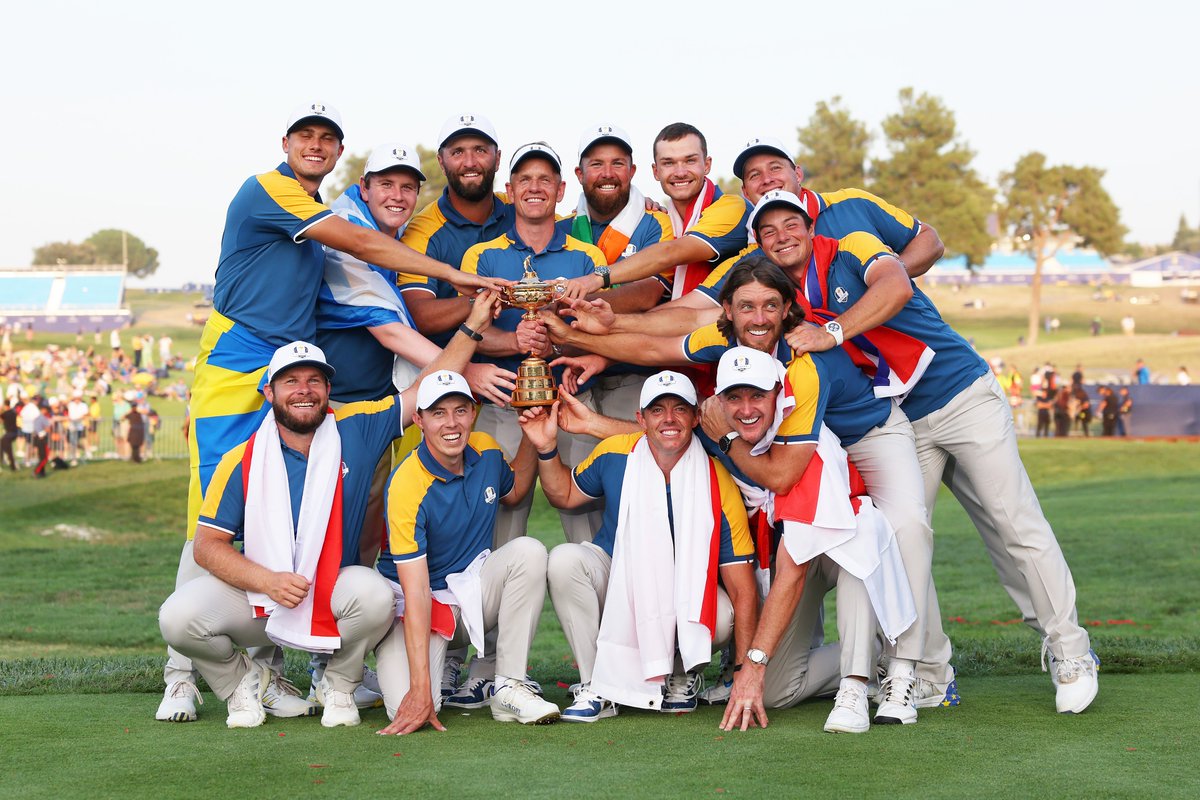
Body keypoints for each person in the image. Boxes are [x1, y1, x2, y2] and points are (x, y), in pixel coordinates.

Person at [161, 103, 500, 723]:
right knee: (209, 515)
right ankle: (180, 673)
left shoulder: (311, 206)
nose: (316, 146)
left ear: (339, 153)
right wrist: (457, 277)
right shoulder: (271, 190)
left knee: (302, 515)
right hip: (240, 361)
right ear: (285, 142)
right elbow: (365, 243)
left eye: (328, 139)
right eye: (306, 137)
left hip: (284, 370)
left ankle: (278, 667)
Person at [750, 190, 1098, 714]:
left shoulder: (850, 243)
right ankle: (930, 673)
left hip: (959, 393)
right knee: (903, 541)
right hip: (900, 419)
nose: (781, 234)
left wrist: (834, 330)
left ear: (806, 212)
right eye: (768, 227)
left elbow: (895, 282)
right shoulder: (784, 299)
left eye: (789, 221)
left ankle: (1071, 652)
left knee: (1013, 524)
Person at [160, 298, 501, 729]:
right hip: (261, 597)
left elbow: (427, 388)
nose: (304, 389)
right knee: (176, 617)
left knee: (375, 595)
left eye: (314, 380)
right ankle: (242, 683)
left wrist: (471, 328)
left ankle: (338, 683)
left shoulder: (357, 425)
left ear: (327, 390)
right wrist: (267, 580)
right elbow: (209, 547)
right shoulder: (242, 459)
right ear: (269, 392)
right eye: (290, 381)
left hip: (332, 589)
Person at [518, 371, 758, 721]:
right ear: (640, 419)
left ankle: (681, 670)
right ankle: (597, 684)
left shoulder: (717, 479)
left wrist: (743, 672)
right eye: (657, 410)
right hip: (621, 576)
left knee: (723, 618)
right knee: (565, 560)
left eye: (679, 409)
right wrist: (546, 447)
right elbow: (564, 495)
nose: (669, 419)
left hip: (687, 589)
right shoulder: (615, 451)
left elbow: (743, 587)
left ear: (695, 417)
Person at [706, 347, 915, 734]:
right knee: (777, 691)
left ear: (778, 396)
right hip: (801, 554)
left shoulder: (800, 447)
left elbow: (791, 575)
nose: (746, 408)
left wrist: (752, 665)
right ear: (719, 403)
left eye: (758, 396)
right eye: (734, 397)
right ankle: (874, 656)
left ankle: (854, 687)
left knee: (856, 556)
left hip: (847, 543)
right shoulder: (727, 437)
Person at [374, 369, 550, 733]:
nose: (451, 423)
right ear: (419, 420)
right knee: (404, 706)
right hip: (415, 606)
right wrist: (421, 689)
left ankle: (509, 685)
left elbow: (514, 490)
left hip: (468, 594)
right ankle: (433, 677)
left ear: (473, 413)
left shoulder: (484, 448)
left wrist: (532, 439)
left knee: (528, 552)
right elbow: (417, 592)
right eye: (438, 413)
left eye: (460, 410)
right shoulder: (407, 483)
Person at [560, 122, 751, 304]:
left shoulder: (730, 206)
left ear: (707, 165)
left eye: (690, 160)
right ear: (656, 171)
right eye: (668, 163)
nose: (680, 172)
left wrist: (595, 280)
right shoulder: (666, 217)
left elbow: (670, 254)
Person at [2, 398, 19, 471]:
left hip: (9, 434)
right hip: (14, 433)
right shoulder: (13, 412)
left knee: (8, 450)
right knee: (4, 446)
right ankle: (10, 463)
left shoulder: (5, 414)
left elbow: (1, 420)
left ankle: (13, 465)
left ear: (5, 405)